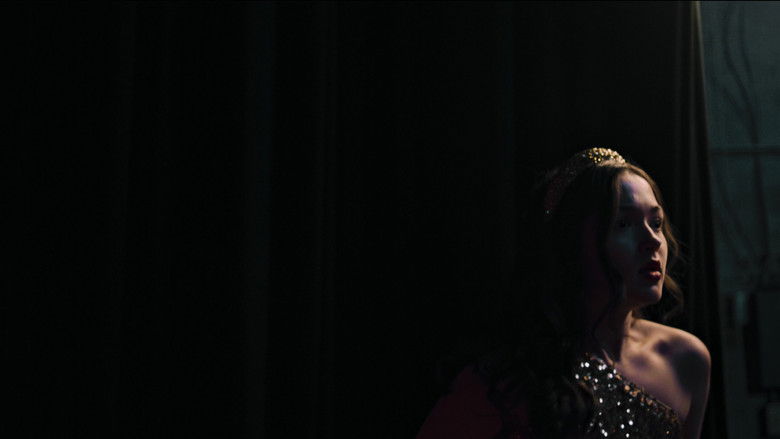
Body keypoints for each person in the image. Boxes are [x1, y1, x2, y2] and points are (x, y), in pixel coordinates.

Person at [417, 148, 711, 439]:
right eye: (623, 224)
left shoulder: (686, 360)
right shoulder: (507, 381)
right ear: (571, 245)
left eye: (656, 223)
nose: (652, 241)